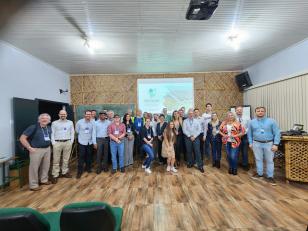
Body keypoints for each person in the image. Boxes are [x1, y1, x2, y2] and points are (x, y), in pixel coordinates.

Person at [248, 106, 280, 185]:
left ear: (265, 112)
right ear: (255, 112)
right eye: (258, 111)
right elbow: (249, 134)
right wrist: (250, 143)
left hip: (268, 143)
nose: (260, 112)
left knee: (269, 160)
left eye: (262, 111)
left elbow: (277, 133)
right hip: (256, 143)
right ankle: (260, 174)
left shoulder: (272, 121)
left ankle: (270, 177)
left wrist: (275, 144)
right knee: (258, 159)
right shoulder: (251, 122)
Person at [20, 113, 52, 191]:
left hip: (47, 149)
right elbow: (22, 138)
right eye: (42, 118)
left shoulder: (49, 128)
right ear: (39, 120)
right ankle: (33, 185)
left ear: (49, 121)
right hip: (36, 150)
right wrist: (29, 147)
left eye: (46, 119)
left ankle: (43, 180)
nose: (44, 120)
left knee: (46, 166)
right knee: (34, 168)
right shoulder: (33, 127)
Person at [50, 110, 74, 184]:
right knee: (56, 160)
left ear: (66, 115)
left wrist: (71, 141)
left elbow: (72, 132)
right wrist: (53, 143)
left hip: (67, 142)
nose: (63, 115)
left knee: (66, 159)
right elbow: (52, 133)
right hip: (57, 143)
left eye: (64, 114)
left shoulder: (70, 122)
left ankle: (64, 172)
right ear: (59, 114)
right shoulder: (54, 123)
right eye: (61, 114)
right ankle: (55, 174)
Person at [75, 110, 97, 179]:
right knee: (81, 156)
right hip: (82, 142)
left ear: (91, 115)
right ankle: (80, 171)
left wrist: (94, 142)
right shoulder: (79, 122)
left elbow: (93, 133)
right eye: (87, 114)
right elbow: (77, 131)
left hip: (89, 142)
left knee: (89, 156)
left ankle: (88, 168)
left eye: (89, 114)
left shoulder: (93, 122)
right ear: (84, 115)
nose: (88, 115)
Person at [235, 106, 251, 171]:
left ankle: (245, 164)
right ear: (235, 111)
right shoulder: (233, 118)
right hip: (236, 136)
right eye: (238, 110)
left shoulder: (247, 117)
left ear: (242, 111)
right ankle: (235, 164)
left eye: (240, 110)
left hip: (244, 136)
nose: (239, 111)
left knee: (244, 151)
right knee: (236, 151)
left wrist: (243, 133)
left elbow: (249, 127)